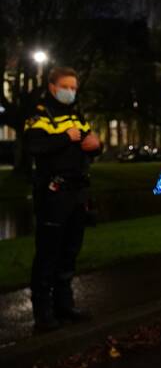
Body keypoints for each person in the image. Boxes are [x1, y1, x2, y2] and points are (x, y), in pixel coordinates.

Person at [23, 66, 101, 332]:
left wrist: (97, 145)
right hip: (52, 194)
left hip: (76, 194)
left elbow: (91, 143)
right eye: (66, 87)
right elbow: (34, 147)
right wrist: (64, 138)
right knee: (48, 254)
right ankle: (43, 315)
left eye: (74, 88)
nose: (70, 92)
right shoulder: (39, 115)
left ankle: (64, 306)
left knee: (69, 253)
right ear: (52, 87)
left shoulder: (76, 115)